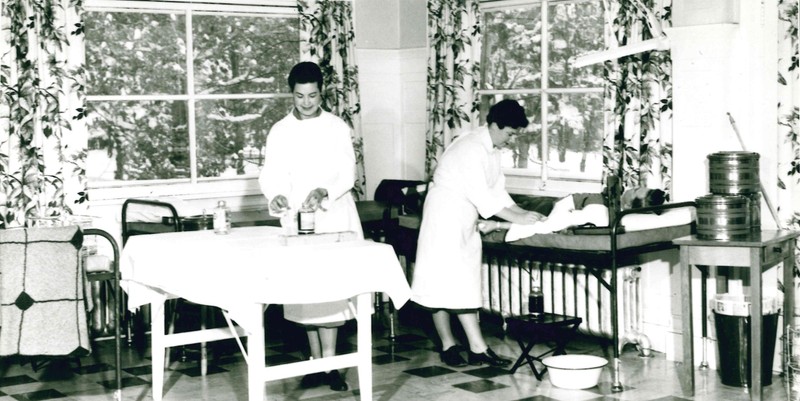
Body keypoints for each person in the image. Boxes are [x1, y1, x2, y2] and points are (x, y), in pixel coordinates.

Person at [410, 99, 546, 367]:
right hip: (443, 217)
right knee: (440, 282)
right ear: (494, 125)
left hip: (464, 218)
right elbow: (485, 200)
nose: (511, 140)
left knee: (463, 282)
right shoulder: (470, 147)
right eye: (509, 134)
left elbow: (499, 193)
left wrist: (526, 216)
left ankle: (475, 347)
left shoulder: (492, 150)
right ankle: (452, 344)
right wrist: (520, 220)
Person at [258, 61, 361, 391]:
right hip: (298, 219)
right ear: (291, 93)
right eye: (299, 96)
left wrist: (324, 190)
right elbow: (272, 173)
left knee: (330, 290)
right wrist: (275, 196)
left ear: (322, 93)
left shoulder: (336, 127)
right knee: (305, 293)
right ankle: (316, 362)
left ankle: (331, 363)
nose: (306, 102)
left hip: (332, 215)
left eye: (312, 95)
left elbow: (348, 173)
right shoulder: (280, 130)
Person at [495, 187, 668, 241]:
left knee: (501, 210)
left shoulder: (602, 209)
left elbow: (565, 221)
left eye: (636, 189)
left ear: (629, 203)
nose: (632, 187)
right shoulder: (608, 200)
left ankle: (491, 224)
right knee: (509, 204)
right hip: (551, 202)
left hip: (546, 208)